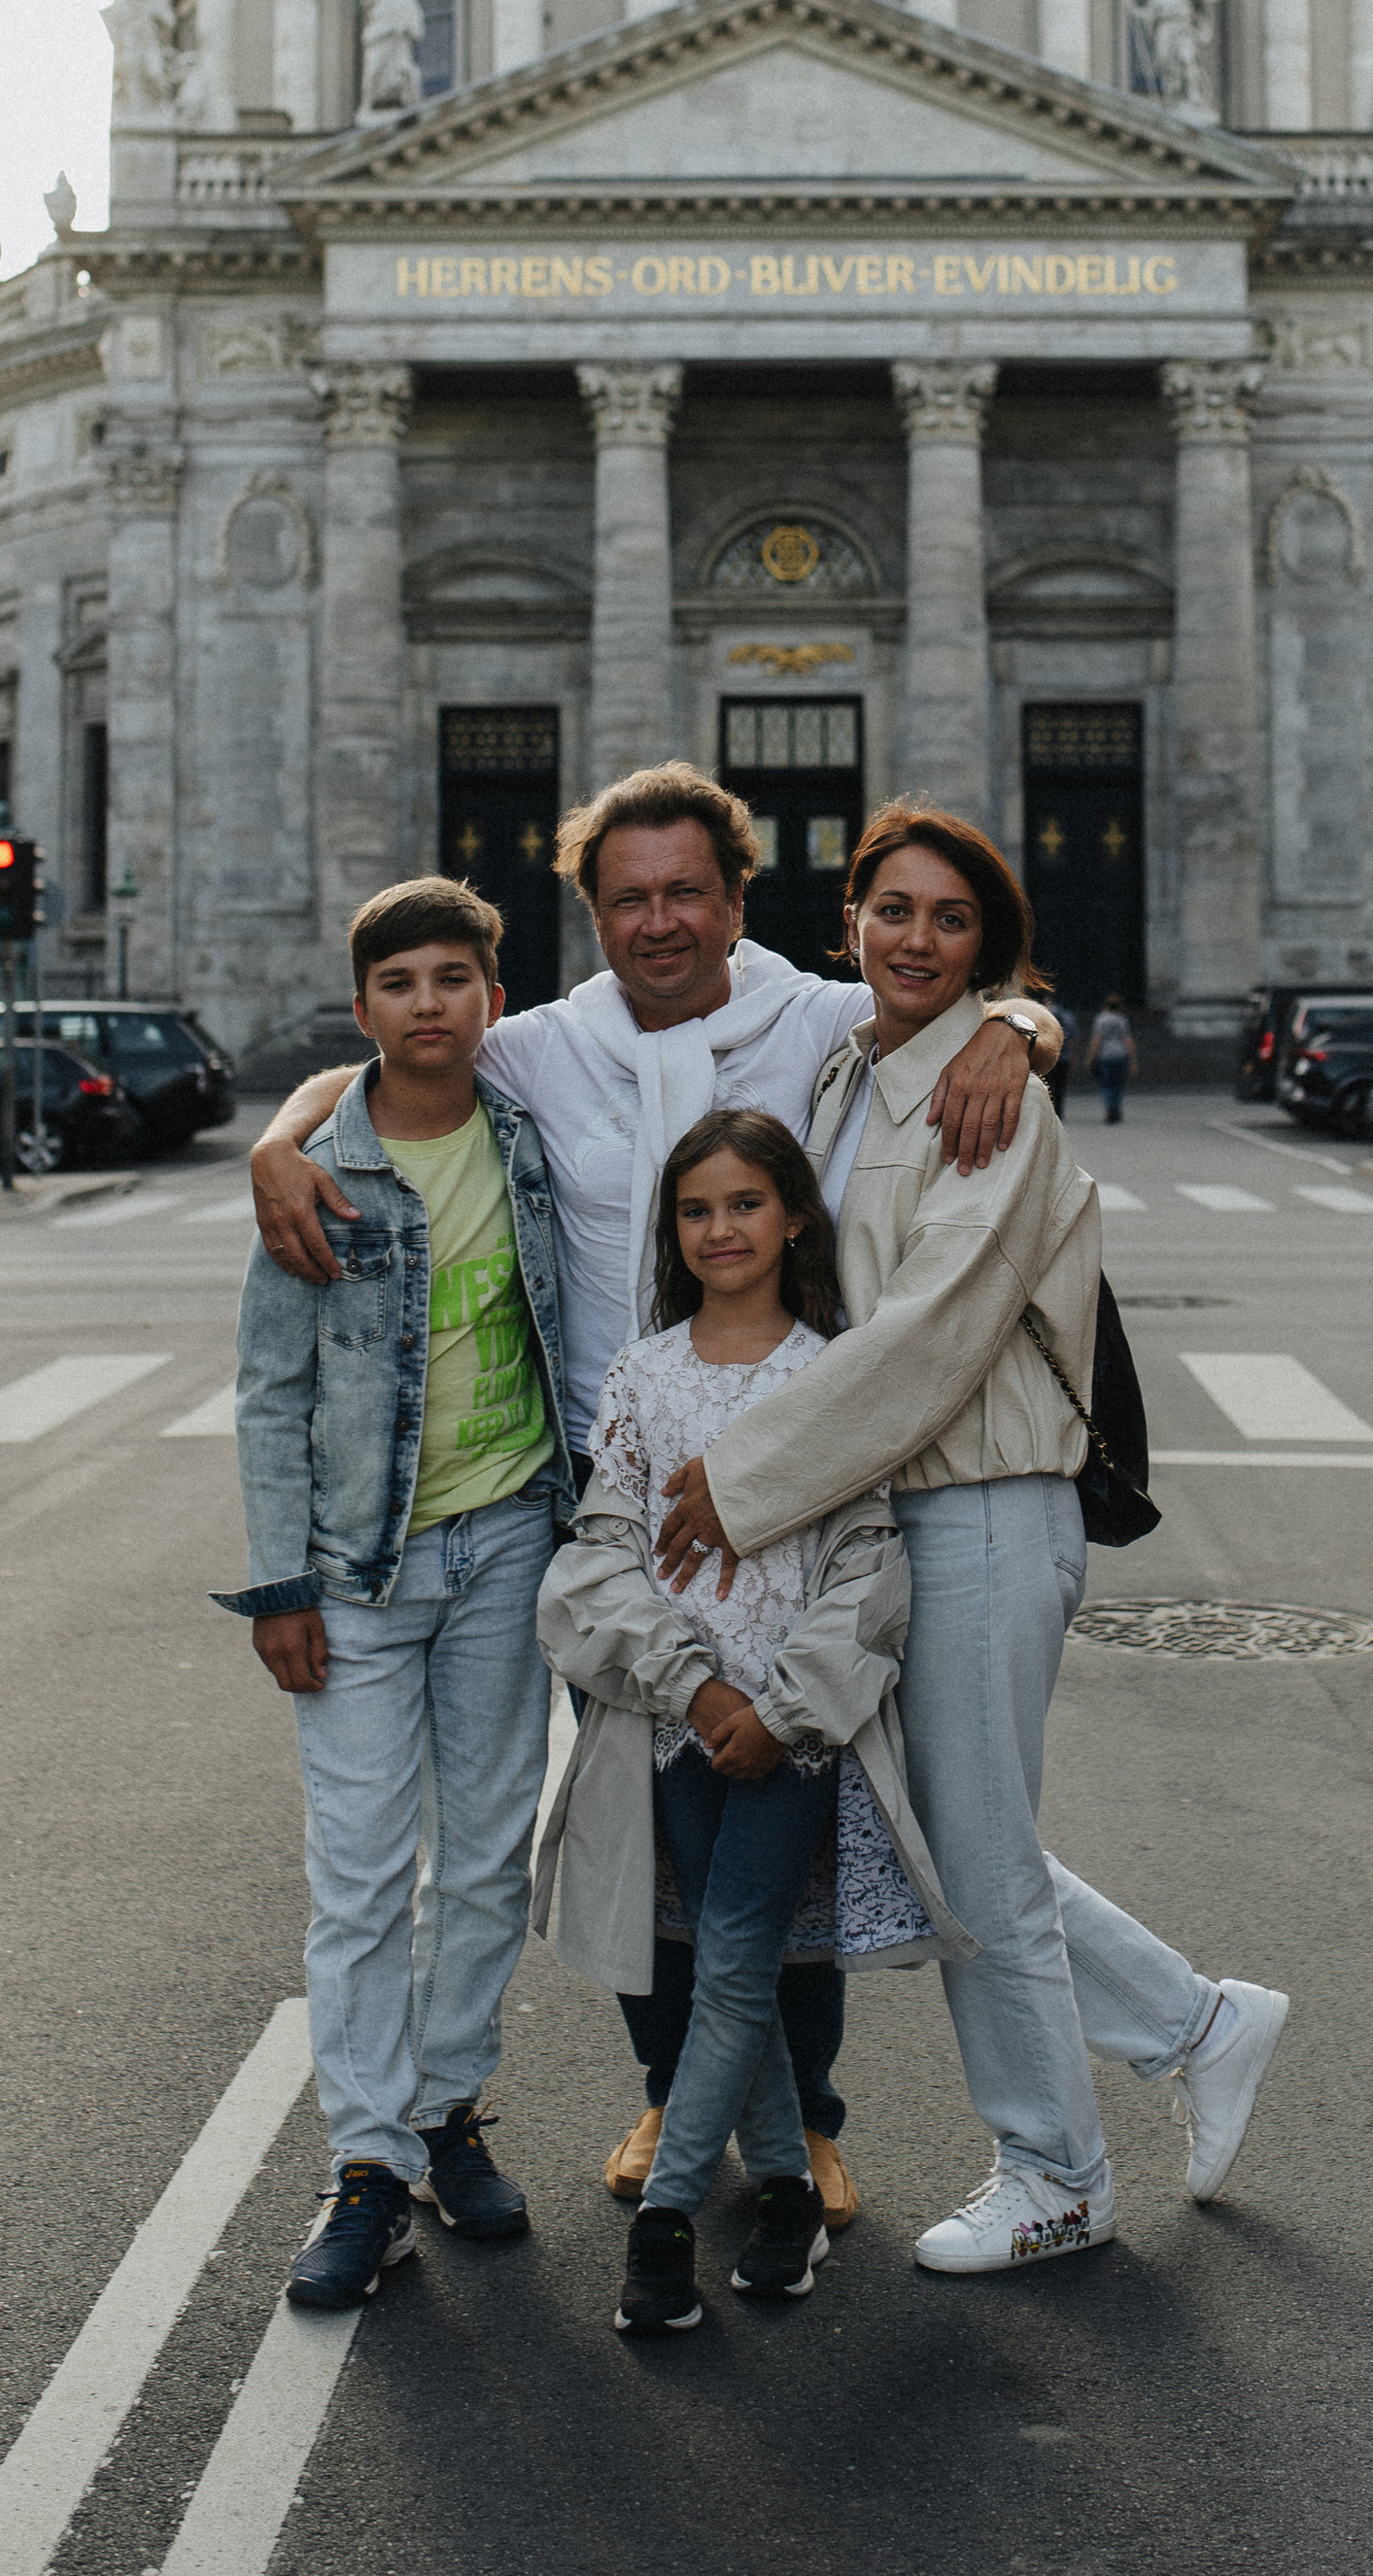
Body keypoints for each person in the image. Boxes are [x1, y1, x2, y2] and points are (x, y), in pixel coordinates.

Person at [248, 760, 1060, 2229]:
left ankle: (802, 2115)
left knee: (794, 1810)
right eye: (630, 896)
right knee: (650, 1819)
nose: (662, 919)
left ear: (743, 898)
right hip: (610, 1501)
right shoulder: (540, 1046)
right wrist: (280, 1135)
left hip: (789, 1482)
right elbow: (395, 1055)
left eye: (690, 889)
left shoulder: (815, 1018)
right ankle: (671, 2085)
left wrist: (1014, 1018)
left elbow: (945, 994)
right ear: (593, 914)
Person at [657, 805, 1287, 2276]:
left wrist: (739, 1477)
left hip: (987, 1505)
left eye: (953, 920)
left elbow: (931, 1334)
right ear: (851, 921)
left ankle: (1058, 2171)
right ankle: (1197, 2020)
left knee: (977, 1859)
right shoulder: (840, 1072)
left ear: (992, 948)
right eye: (893, 908)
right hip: (888, 1514)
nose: (916, 938)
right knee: (944, 1838)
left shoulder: (993, 1103)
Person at [532, 1112, 970, 2333]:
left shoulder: (837, 1372)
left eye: (743, 1204)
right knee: (721, 1956)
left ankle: (667, 2225)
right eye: (695, 1209)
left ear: (792, 1219)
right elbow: (599, 1557)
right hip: (677, 1718)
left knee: (735, 1950)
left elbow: (867, 1573)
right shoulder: (642, 1373)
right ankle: (782, 2191)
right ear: (672, 1230)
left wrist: (780, 1709)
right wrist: (693, 1686)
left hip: (790, 1731)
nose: (720, 1229)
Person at [216, 877, 573, 2311]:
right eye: (401, 981)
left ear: (495, 992)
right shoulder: (320, 1164)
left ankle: (444, 2107)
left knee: (487, 1854)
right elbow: (267, 1391)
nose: (429, 1002)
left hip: (506, 1547)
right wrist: (277, 1583)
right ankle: (365, 2163)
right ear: (362, 1008)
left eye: (455, 976)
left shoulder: (537, 1138)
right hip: (358, 1572)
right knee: (361, 1872)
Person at [1084, 995, 1135, 1125]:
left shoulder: (1100, 1019)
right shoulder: (1122, 1020)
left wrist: (1090, 1057)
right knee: (1118, 1084)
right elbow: (1127, 1040)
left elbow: (1097, 1039)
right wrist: (1133, 1060)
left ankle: (1110, 1106)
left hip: (1105, 1055)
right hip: (1120, 1054)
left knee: (1106, 1084)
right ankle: (1116, 1107)